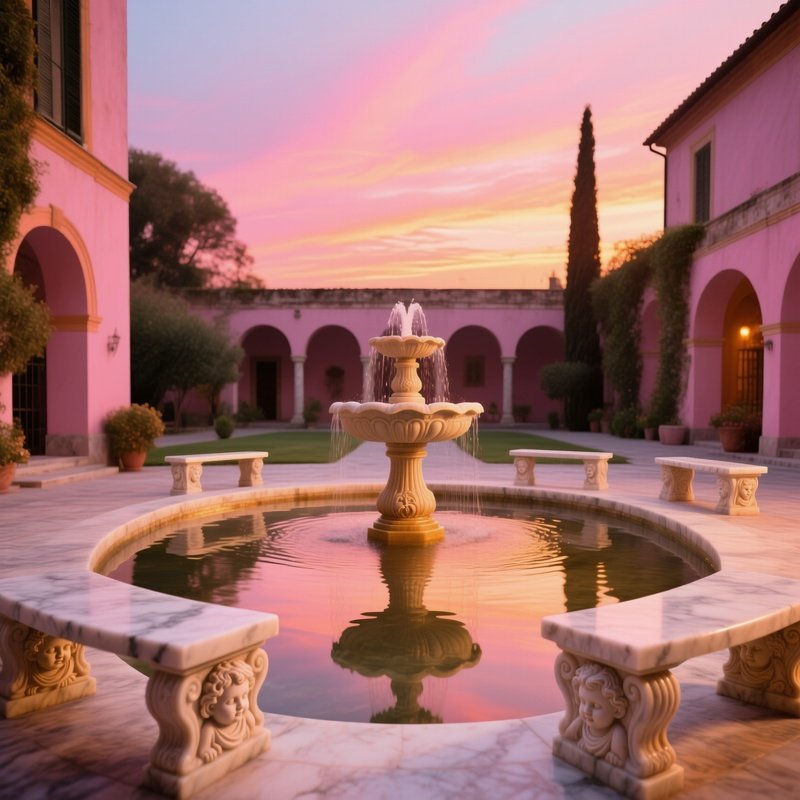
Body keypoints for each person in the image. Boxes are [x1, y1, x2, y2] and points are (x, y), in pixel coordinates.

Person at [565, 662, 628, 767]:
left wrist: (615, 757)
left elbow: (619, 758)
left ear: (616, 710)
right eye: (582, 702)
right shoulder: (581, 723)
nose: (586, 711)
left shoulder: (616, 733)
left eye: (595, 705)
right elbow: (567, 738)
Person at [198, 659, 257, 763]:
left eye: (244, 696)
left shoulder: (246, 719)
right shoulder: (210, 730)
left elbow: (253, 733)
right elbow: (204, 750)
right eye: (231, 701)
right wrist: (206, 751)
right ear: (211, 707)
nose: (240, 705)